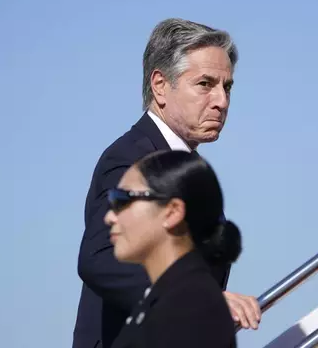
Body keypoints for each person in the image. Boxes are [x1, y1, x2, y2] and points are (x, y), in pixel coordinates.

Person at [73, 18, 261, 348]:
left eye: (227, 87)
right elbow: (100, 257)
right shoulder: (131, 158)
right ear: (160, 85)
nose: (222, 101)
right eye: (205, 84)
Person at [107, 150, 240, 348]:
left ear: (172, 212)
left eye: (122, 200)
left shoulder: (190, 309)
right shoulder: (169, 299)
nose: (109, 216)